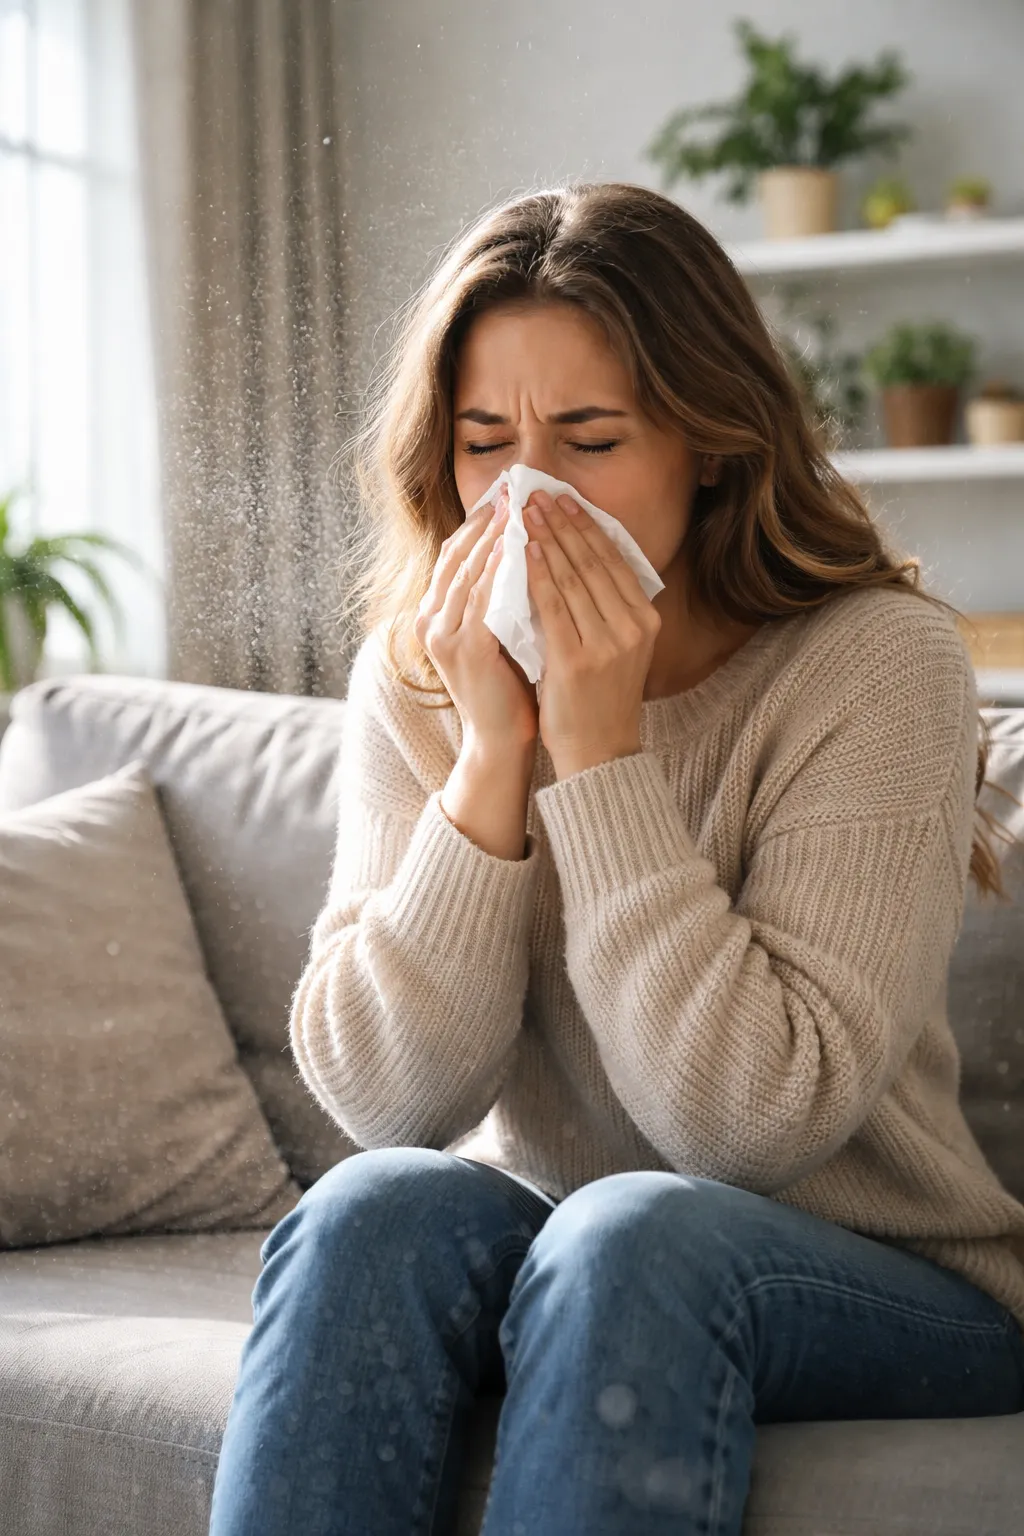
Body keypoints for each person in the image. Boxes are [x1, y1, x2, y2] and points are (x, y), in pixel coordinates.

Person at [208, 182, 1024, 1536]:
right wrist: (490, 763)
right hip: (569, 1243)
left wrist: (595, 759)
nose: (527, 496)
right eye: (486, 442)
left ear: (709, 443)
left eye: (589, 438)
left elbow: (744, 1127)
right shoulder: (419, 678)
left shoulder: (875, 665)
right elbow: (387, 1100)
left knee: (637, 1230)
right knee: (370, 1212)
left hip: (887, 1274)